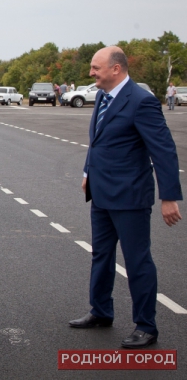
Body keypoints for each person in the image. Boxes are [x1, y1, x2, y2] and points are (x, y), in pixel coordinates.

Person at [69, 46, 182, 348]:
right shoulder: (104, 98)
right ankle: (101, 311)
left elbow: (164, 150)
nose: (91, 73)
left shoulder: (141, 102)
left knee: (137, 261)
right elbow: (98, 143)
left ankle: (146, 325)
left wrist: (169, 196)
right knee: (101, 256)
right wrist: (87, 173)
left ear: (115, 69)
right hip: (101, 194)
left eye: (96, 68)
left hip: (130, 198)